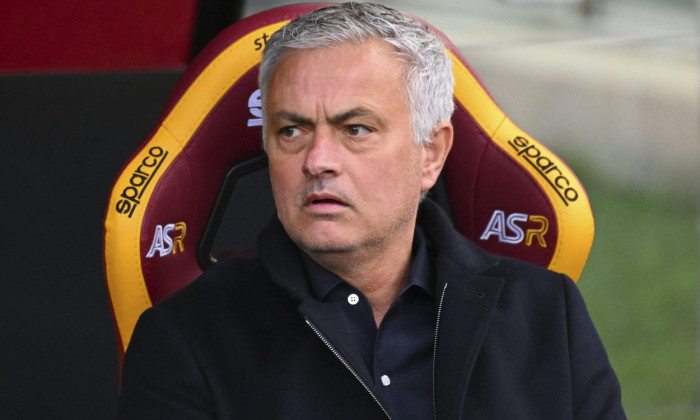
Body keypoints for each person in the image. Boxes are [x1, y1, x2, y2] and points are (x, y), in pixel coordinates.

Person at [118, 3, 626, 419]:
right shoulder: (185, 338)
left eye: (355, 129)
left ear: (431, 153)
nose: (317, 161)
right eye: (291, 130)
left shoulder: (547, 313)